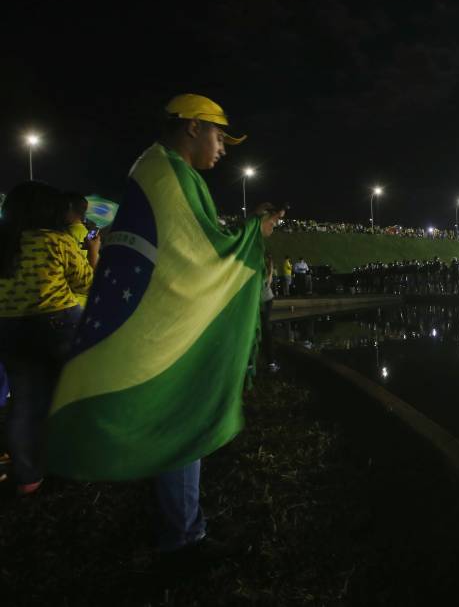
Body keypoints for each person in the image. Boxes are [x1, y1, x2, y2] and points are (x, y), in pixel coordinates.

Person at [46, 94, 285, 564]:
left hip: (151, 318)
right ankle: (182, 537)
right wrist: (255, 231)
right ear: (192, 127)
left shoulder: (157, 169)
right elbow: (201, 254)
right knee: (177, 411)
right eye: (219, 136)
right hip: (160, 327)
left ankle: (180, 523)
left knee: (171, 413)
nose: (223, 148)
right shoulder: (169, 174)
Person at [0, 182, 98, 495]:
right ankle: (77, 463)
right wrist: (94, 254)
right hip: (58, 323)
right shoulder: (55, 240)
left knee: (25, 401)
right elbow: (85, 283)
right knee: (72, 396)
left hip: (9, 329)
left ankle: (28, 476)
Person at [260, 253, 279, 373]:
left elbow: (269, 280)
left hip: (266, 300)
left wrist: (270, 267)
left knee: (266, 329)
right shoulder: (261, 271)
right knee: (265, 329)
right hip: (263, 300)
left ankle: (270, 362)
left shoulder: (264, 272)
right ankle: (269, 362)